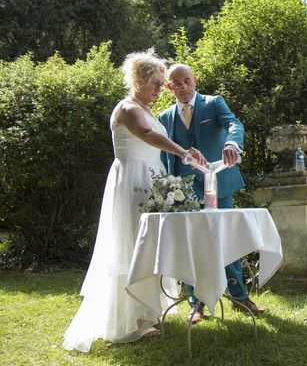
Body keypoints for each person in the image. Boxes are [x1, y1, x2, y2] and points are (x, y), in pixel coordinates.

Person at [63, 51, 206, 352]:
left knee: (152, 245)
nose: (159, 90)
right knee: (132, 245)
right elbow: (144, 135)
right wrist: (183, 153)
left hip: (153, 180)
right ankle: (129, 320)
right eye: (155, 83)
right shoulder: (128, 108)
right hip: (132, 182)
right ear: (139, 80)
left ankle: (148, 312)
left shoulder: (148, 108)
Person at [159, 63, 265, 322]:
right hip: (184, 192)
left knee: (226, 238)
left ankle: (240, 296)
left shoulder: (214, 102)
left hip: (220, 185)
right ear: (169, 87)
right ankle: (197, 304)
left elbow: (234, 124)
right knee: (192, 244)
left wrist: (231, 143)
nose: (183, 87)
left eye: (187, 81)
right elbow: (164, 156)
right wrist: (168, 187)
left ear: (194, 80)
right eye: (177, 83)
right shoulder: (164, 117)